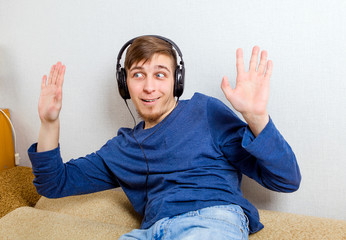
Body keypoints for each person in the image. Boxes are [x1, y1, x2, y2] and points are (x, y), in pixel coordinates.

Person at [28, 35, 301, 240]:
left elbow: (286, 179)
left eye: (160, 74)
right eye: (138, 75)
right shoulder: (121, 149)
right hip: (150, 232)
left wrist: (256, 117)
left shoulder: (206, 112)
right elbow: (54, 184)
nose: (149, 87)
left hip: (210, 222)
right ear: (125, 84)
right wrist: (49, 123)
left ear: (176, 81)